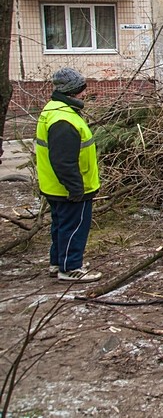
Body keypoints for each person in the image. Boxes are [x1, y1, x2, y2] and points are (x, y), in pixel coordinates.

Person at [35, 67, 103, 282]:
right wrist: (76, 187)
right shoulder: (63, 120)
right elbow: (63, 160)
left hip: (54, 186)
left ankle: (58, 262)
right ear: (73, 91)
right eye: (82, 89)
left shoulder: (54, 109)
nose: (85, 93)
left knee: (61, 227)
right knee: (74, 227)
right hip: (70, 187)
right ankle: (70, 267)